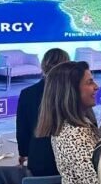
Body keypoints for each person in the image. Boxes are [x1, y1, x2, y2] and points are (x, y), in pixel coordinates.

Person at [17, 48, 70, 176]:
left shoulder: (27, 93)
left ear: (43, 66)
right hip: (70, 161)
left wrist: (24, 153)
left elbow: (22, 129)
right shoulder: (73, 92)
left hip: (39, 160)